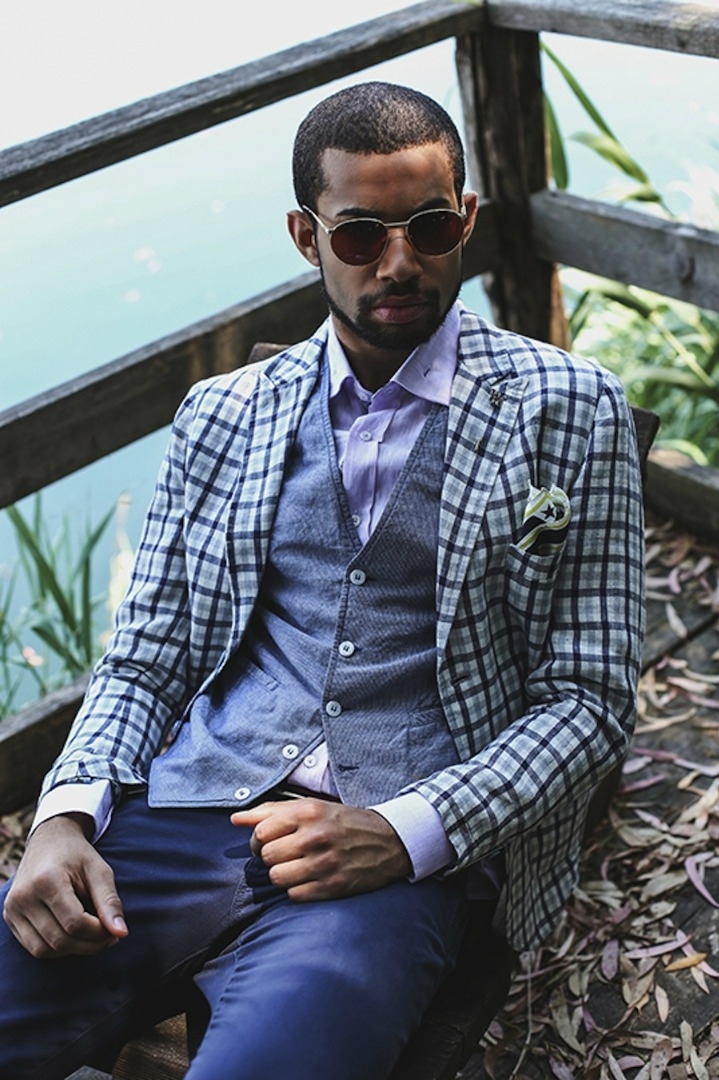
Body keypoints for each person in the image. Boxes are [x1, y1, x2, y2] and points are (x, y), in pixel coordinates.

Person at [0, 81, 645, 1080]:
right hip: (184, 819)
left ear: (466, 219)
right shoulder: (221, 416)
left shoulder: (572, 409)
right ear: (306, 237)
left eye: (429, 227)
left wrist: (402, 832)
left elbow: (588, 700)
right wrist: (64, 817)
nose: (399, 262)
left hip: (393, 872)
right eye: (359, 236)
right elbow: (145, 659)